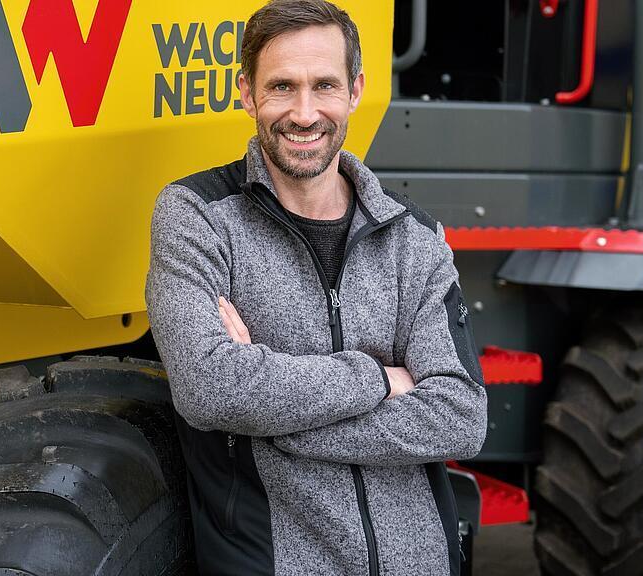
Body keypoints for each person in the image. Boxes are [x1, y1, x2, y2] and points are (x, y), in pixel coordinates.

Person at [145, 0, 489, 574]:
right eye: (282, 87)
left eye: (323, 85)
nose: (305, 113)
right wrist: (378, 378)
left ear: (354, 91)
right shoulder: (196, 216)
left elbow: (459, 416)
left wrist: (279, 426)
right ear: (247, 94)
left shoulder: (414, 235)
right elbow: (210, 388)